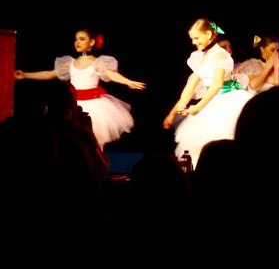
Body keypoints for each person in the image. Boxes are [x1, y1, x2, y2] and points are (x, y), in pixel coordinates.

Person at [14, 29, 145, 148]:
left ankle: (97, 164)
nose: (77, 42)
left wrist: (128, 82)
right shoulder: (70, 63)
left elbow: (111, 74)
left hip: (94, 107)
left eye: (82, 39)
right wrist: (25, 75)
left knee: (96, 141)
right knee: (71, 140)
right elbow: (49, 74)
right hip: (72, 106)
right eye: (76, 39)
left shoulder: (97, 63)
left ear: (92, 42)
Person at [162, 19, 253, 168]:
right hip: (212, 100)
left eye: (196, 38)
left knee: (222, 138)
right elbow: (191, 85)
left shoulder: (220, 54)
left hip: (227, 100)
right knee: (198, 142)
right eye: (192, 38)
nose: (193, 42)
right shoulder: (199, 56)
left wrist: (198, 107)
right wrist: (172, 113)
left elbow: (217, 84)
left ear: (209, 35)